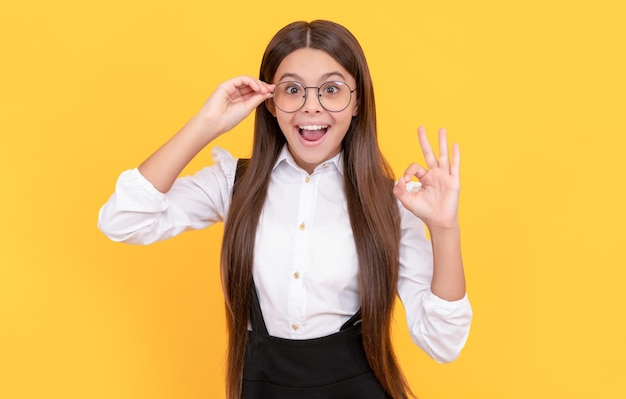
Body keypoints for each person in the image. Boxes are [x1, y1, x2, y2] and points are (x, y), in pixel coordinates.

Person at [98, 20, 472, 399]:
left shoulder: (388, 202)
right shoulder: (234, 184)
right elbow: (123, 220)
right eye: (292, 90)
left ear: (357, 101)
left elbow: (443, 343)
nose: (311, 106)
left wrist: (444, 229)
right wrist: (207, 124)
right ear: (271, 102)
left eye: (331, 89)